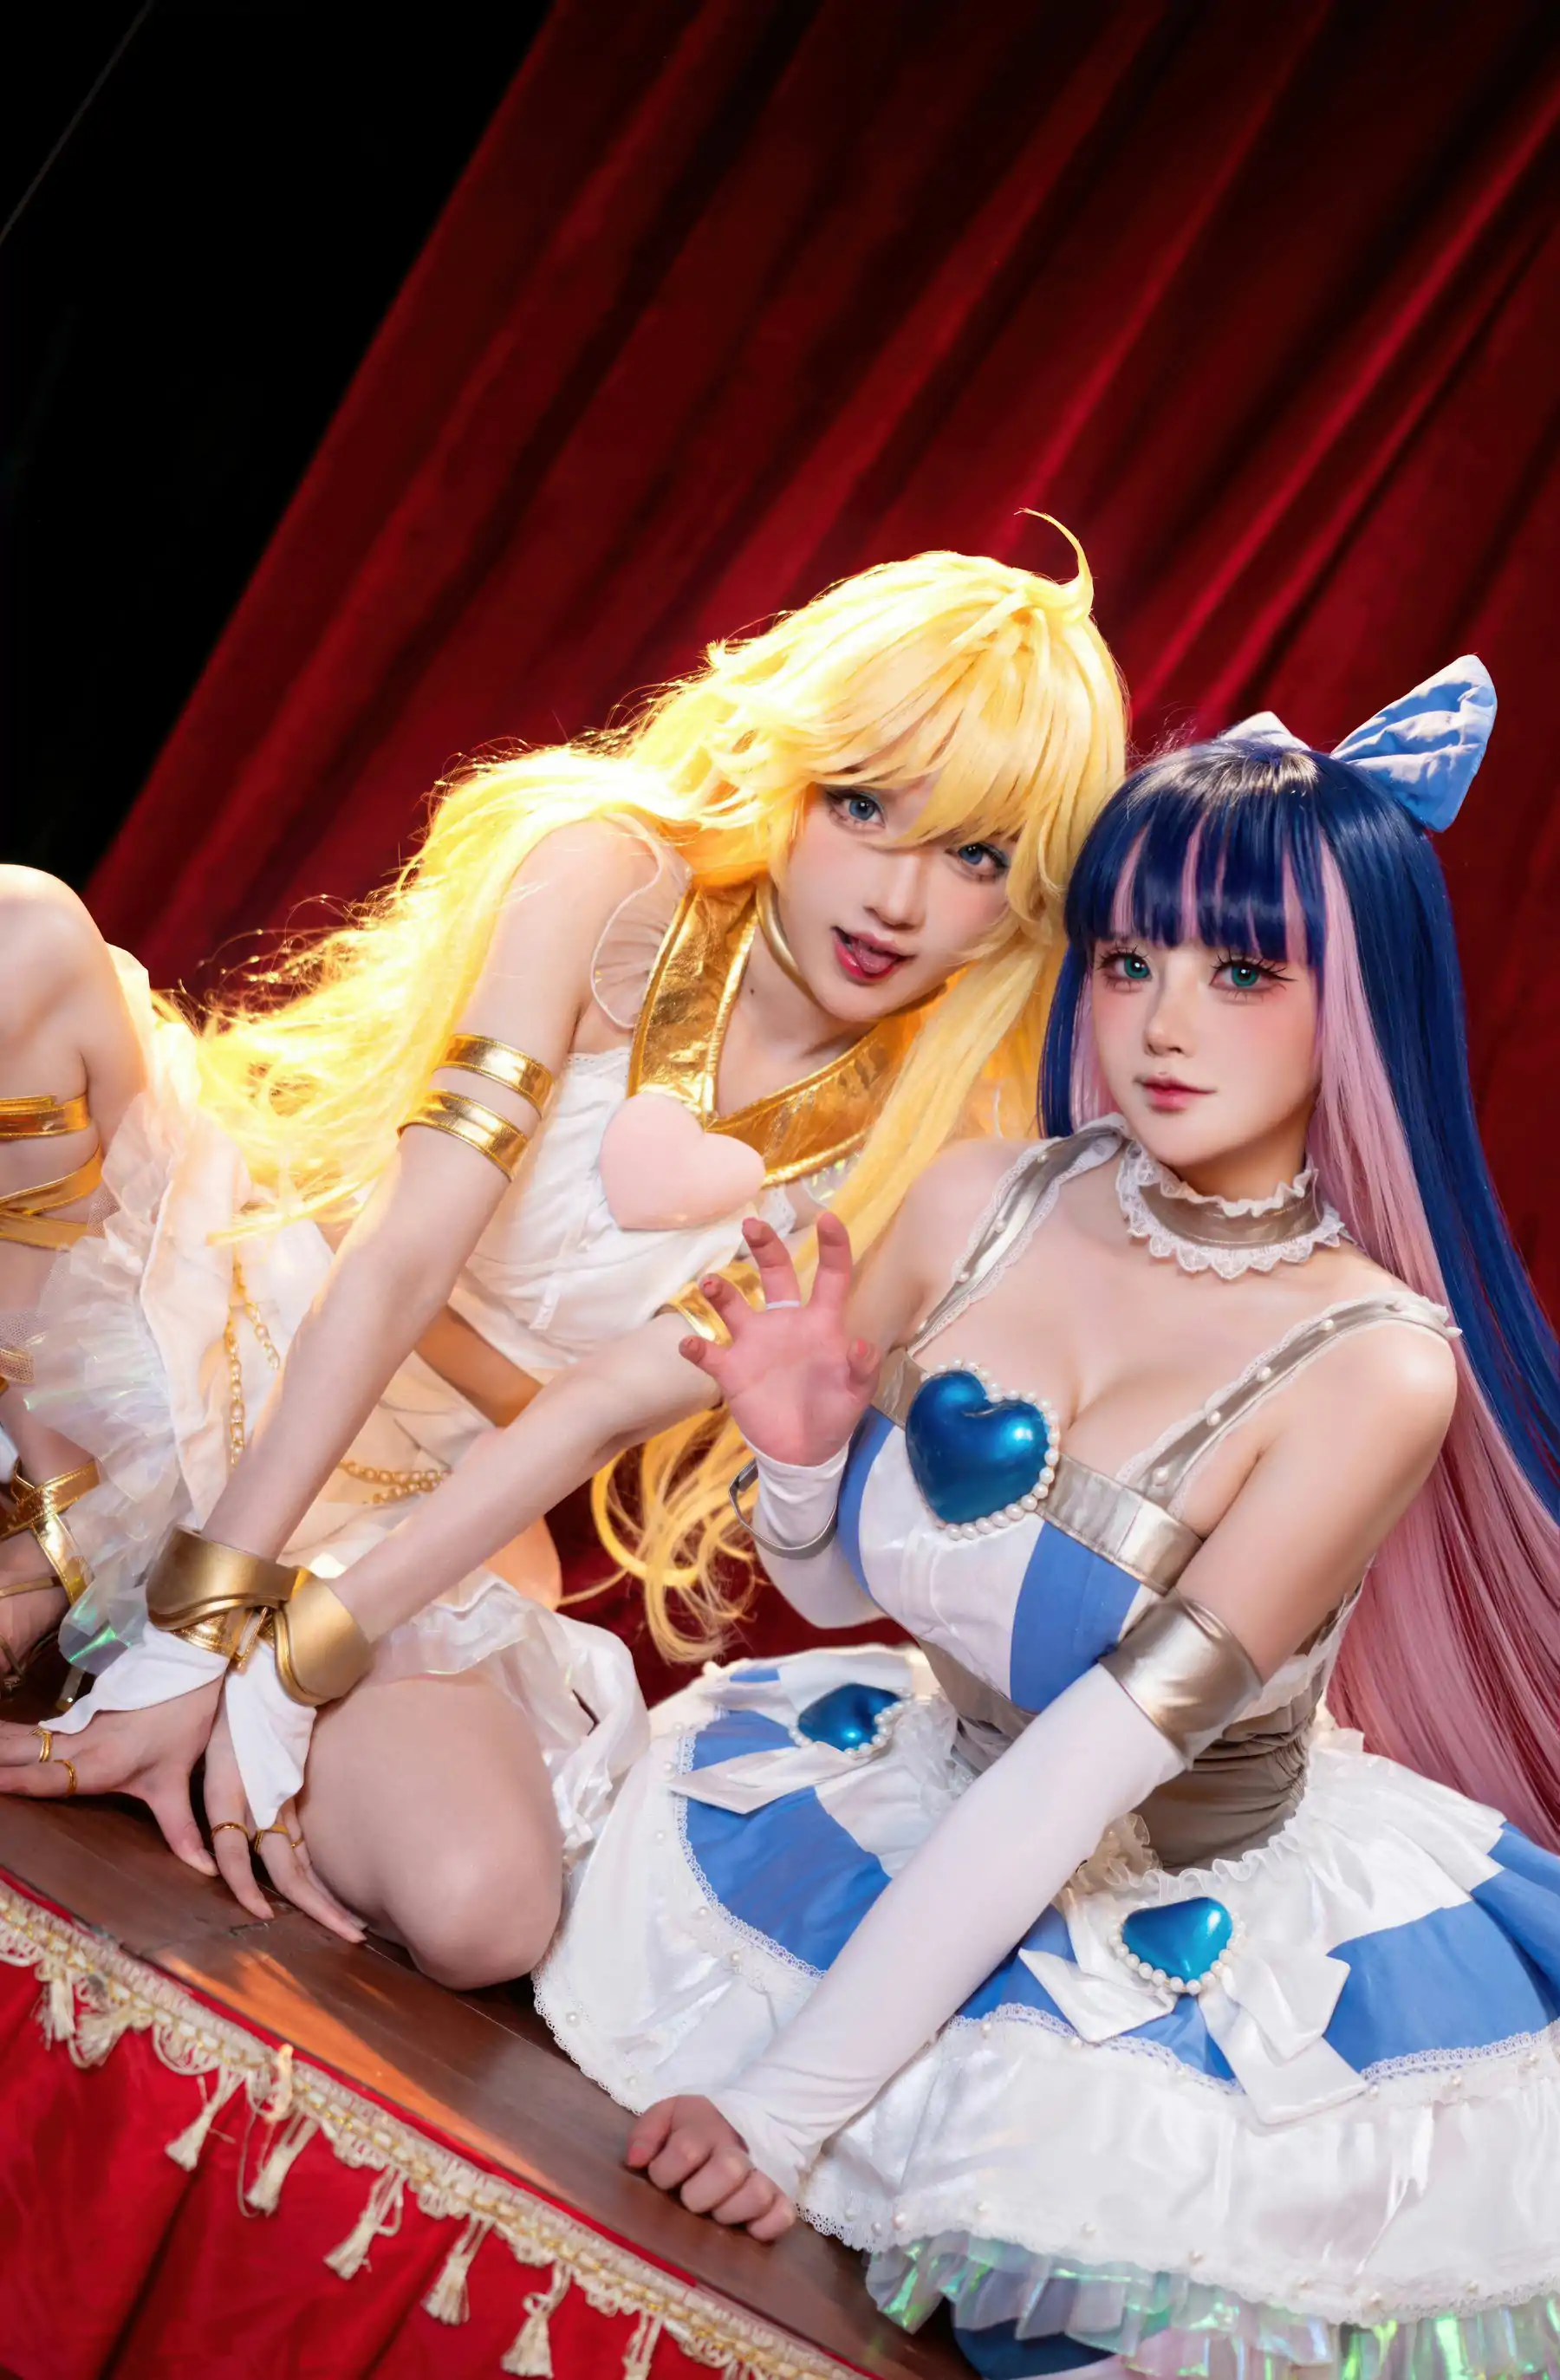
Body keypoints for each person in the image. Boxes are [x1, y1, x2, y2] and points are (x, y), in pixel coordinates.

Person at [533, 661, 1560, 2378]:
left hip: (1172, 1910)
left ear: (1362, 1001)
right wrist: (802, 1460)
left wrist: (784, 2108)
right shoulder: (981, 1197)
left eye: (1244, 971)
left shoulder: (1377, 1363)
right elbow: (851, 1593)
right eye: (1131, 958)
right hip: (918, 1781)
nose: (1163, 1023)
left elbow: (1083, 1767)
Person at [0, 541, 1126, 1987]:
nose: (900, 900)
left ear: (1028, 898)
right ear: (788, 769)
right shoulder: (608, 871)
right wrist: (204, 1617)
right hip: (236, 1297)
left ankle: (114, 1635)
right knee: (23, 933)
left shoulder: (935, 1150)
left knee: (483, 1908)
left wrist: (290, 1660)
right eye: (865, 804)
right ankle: (66, 1545)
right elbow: (405, 1251)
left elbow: (588, 1413)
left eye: (976, 856)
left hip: (434, 1500)